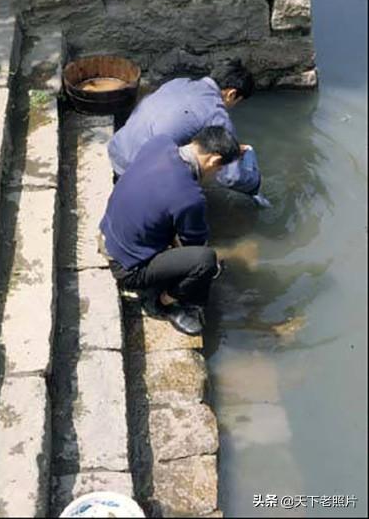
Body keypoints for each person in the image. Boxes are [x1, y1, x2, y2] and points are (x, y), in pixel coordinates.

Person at [99, 126, 242, 336]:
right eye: (219, 168)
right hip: (128, 268)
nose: (216, 174)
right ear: (213, 160)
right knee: (206, 261)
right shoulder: (190, 197)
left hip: (107, 234)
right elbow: (195, 246)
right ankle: (164, 303)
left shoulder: (160, 143)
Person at [108, 58, 269, 204]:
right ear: (231, 94)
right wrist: (255, 184)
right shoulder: (216, 113)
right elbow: (231, 177)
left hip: (117, 152)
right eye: (237, 102)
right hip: (139, 175)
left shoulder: (178, 83)